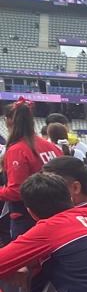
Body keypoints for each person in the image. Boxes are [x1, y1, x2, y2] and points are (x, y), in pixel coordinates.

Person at [1, 100, 63, 239]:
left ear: (10, 121)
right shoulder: (50, 146)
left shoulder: (17, 150)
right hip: (56, 212)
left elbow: (17, 191)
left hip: (27, 216)